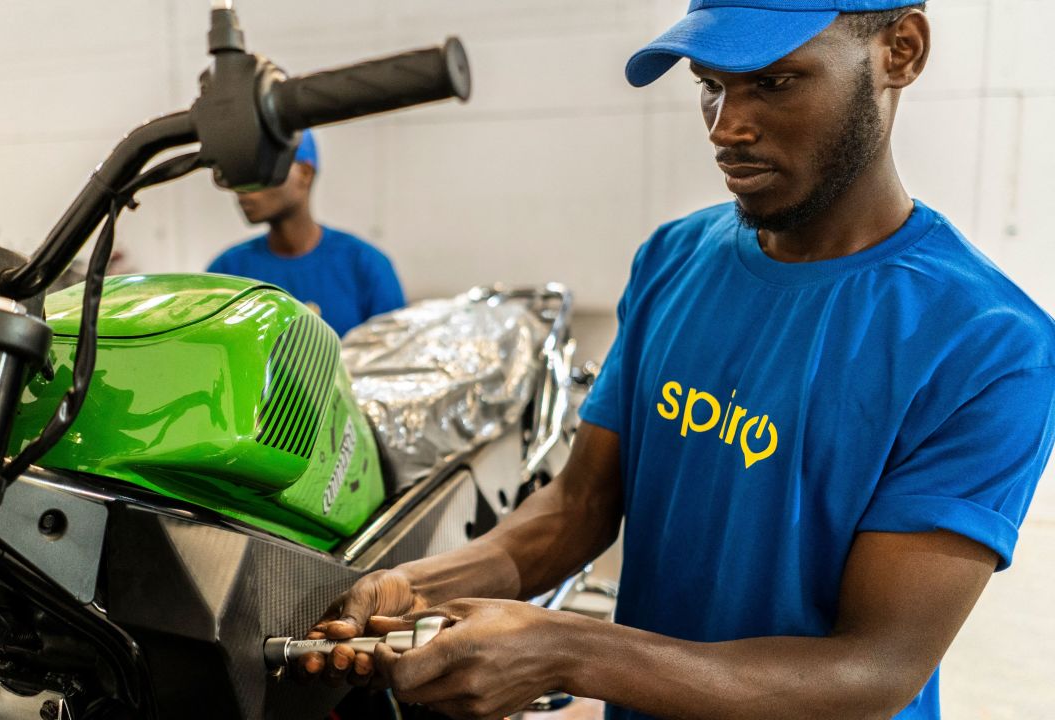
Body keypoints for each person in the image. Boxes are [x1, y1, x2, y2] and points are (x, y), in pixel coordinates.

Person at [299, 2, 1055, 719]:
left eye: (774, 82)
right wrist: (405, 587)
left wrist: (566, 649)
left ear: (902, 51)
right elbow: (577, 507)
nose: (728, 127)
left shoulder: (988, 344)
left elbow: (873, 672)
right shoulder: (674, 259)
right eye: (710, 86)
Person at [206, 129, 405, 337]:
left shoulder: (365, 266)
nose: (241, 190)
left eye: (257, 173)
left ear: (305, 174)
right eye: (237, 176)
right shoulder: (228, 272)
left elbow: (393, 359)